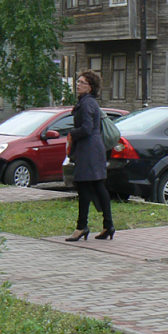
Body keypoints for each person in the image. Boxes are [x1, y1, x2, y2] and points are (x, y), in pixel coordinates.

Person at [65, 70, 115, 241]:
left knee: (86, 188)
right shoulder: (90, 102)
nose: (78, 85)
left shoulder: (87, 104)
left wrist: (72, 133)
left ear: (90, 87)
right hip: (93, 149)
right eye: (78, 82)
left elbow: (86, 128)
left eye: (82, 82)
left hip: (88, 150)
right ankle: (107, 225)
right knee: (97, 187)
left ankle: (82, 227)